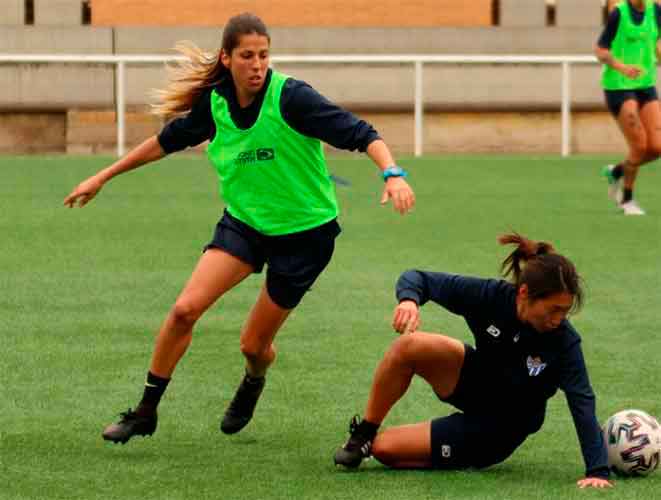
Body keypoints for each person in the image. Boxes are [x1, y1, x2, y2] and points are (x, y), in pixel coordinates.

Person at [63, 12, 415, 444]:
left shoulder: (291, 98)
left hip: (304, 237)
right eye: (247, 55)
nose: (257, 64)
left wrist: (392, 173)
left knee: (253, 346)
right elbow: (164, 142)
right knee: (184, 310)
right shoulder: (214, 103)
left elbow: (362, 133)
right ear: (227, 58)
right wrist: (102, 176)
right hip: (245, 224)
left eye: (263, 55)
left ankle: (253, 379)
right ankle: (145, 411)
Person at [333, 233, 612, 489]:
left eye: (565, 311)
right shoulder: (491, 296)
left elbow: (582, 403)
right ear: (524, 293)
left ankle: (435, 447)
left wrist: (597, 471)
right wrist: (408, 301)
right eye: (554, 309)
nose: (558, 319)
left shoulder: (564, 341)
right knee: (409, 346)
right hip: (478, 382)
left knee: (385, 449)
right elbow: (417, 278)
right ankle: (363, 434)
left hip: (500, 427)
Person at [596, 0, 661, 215]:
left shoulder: (656, 10)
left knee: (657, 147)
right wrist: (622, 67)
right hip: (619, 86)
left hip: (646, 85)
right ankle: (627, 200)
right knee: (640, 145)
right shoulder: (619, 14)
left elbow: (657, 43)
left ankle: (616, 171)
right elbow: (600, 50)